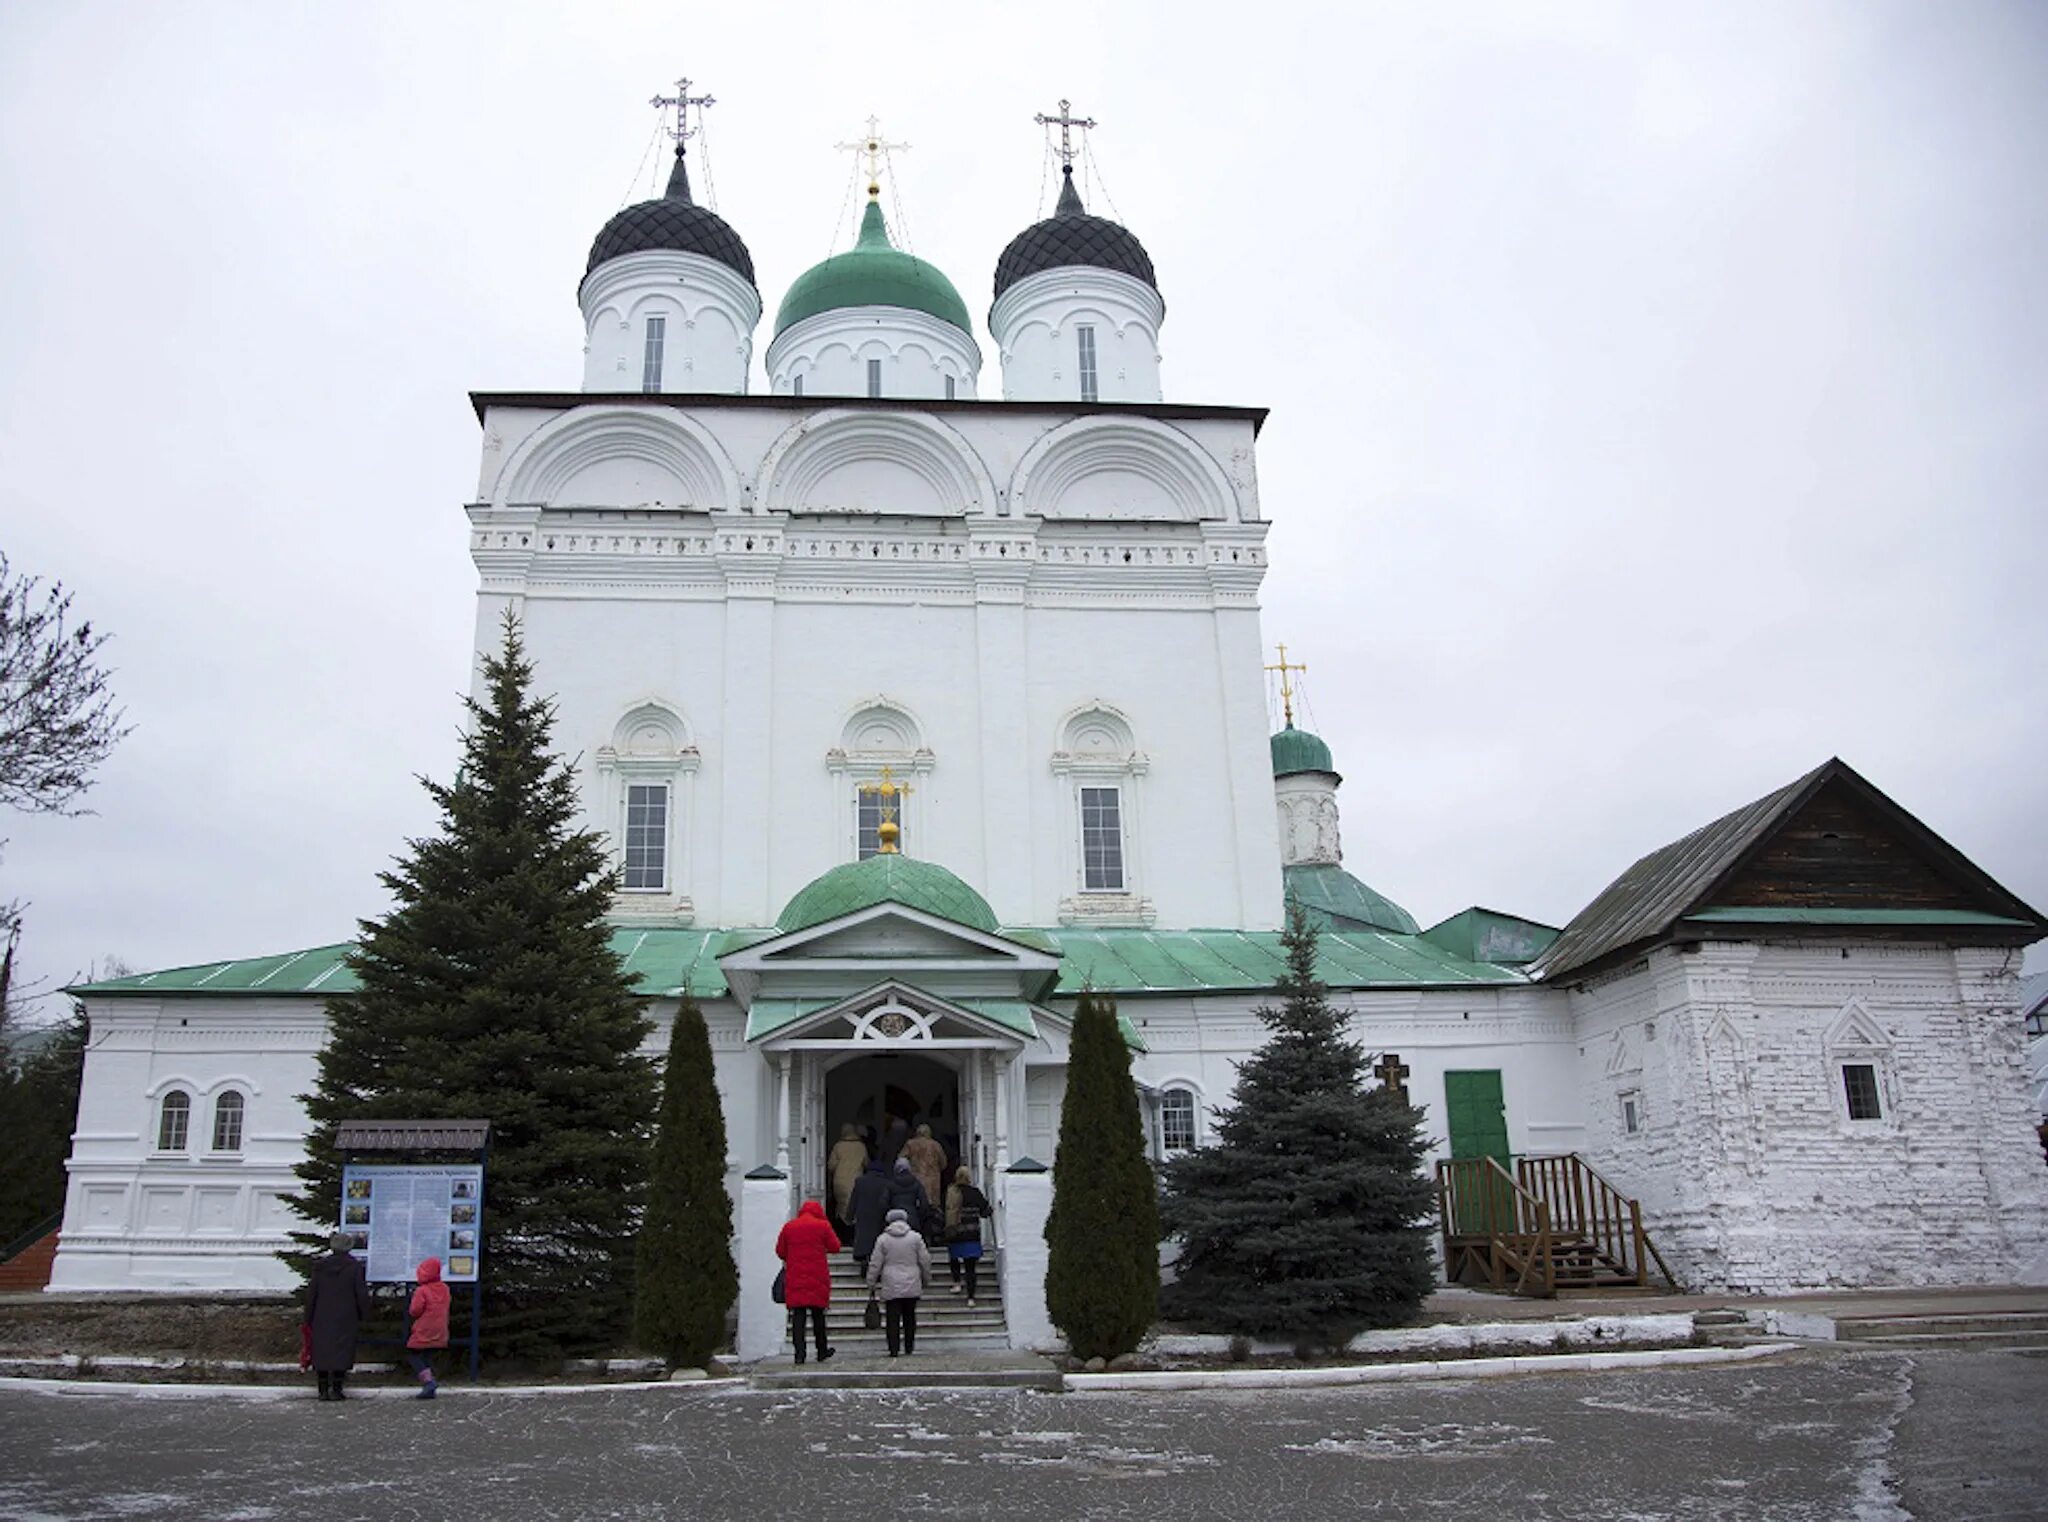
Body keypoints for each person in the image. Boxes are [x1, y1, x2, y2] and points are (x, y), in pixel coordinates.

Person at [305, 1230, 369, 1401]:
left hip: (322, 1314)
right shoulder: (354, 1267)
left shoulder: (320, 1266)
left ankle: (323, 1390)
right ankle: (337, 1389)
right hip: (346, 1315)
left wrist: (308, 1317)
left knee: (321, 1350)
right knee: (342, 1350)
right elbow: (360, 1293)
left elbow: (312, 1293)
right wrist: (364, 1313)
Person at [774, 1199, 840, 1364]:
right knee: (818, 1316)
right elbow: (835, 1247)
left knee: (798, 1317)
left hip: (796, 1277)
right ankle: (821, 1350)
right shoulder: (822, 1226)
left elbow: (780, 1251)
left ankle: (799, 1354)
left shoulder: (789, 1227)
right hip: (817, 1277)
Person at [865, 1207, 930, 1357]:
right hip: (912, 1280)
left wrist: (871, 1282)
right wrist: (926, 1278)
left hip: (891, 1281)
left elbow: (875, 1263)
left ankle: (893, 1349)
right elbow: (925, 1260)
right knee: (910, 1317)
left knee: (892, 1318)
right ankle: (909, 1347)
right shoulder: (915, 1237)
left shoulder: (883, 1239)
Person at [943, 1166, 991, 1305]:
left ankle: (957, 1282)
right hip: (971, 1233)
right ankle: (971, 1297)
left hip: (955, 1232)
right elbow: (985, 1211)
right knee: (970, 1268)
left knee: (954, 1258)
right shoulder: (975, 1193)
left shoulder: (951, 1192)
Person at [405, 1256, 451, 1399]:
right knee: (427, 1355)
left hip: (424, 1327)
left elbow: (415, 1310)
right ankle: (430, 1385)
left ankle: (428, 1382)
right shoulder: (444, 1288)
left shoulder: (422, 1290)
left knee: (413, 1354)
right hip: (440, 1328)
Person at [848, 1156, 892, 1271]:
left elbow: (854, 1200)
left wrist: (849, 1216)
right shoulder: (886, 1183)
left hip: (863, 1214)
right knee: (877, 1242)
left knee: (864, 1240)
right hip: (879, 1215)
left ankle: (864, 1263)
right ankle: (876, 1268)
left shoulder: (860, 1182)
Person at [900, 1123, 948, 1228]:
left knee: (915, 1206)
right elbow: (944, 1163)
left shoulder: (910, 1144)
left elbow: (901, 1160)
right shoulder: (936, 1145)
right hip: (932, 1182)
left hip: (915, 1179)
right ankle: (931, 1231)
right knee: (932, 1209)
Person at [827, 1123, 868, 1234]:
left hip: (840, 1181)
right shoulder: (861, 1146)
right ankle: (853, 1233)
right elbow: (866, 1163)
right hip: (856, 1180)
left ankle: (843, 1234)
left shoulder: (838, 1146)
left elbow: (831, 1165)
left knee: (842, 1207)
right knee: (854, 1206)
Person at [886, 1156, 934, 1237]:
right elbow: (924, 1203)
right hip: (913, 1220)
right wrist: (919, 1216)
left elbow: (883, 1203)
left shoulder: (890, 1184)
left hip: (895, 1221)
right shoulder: (916, 1183)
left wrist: (889, 1215)